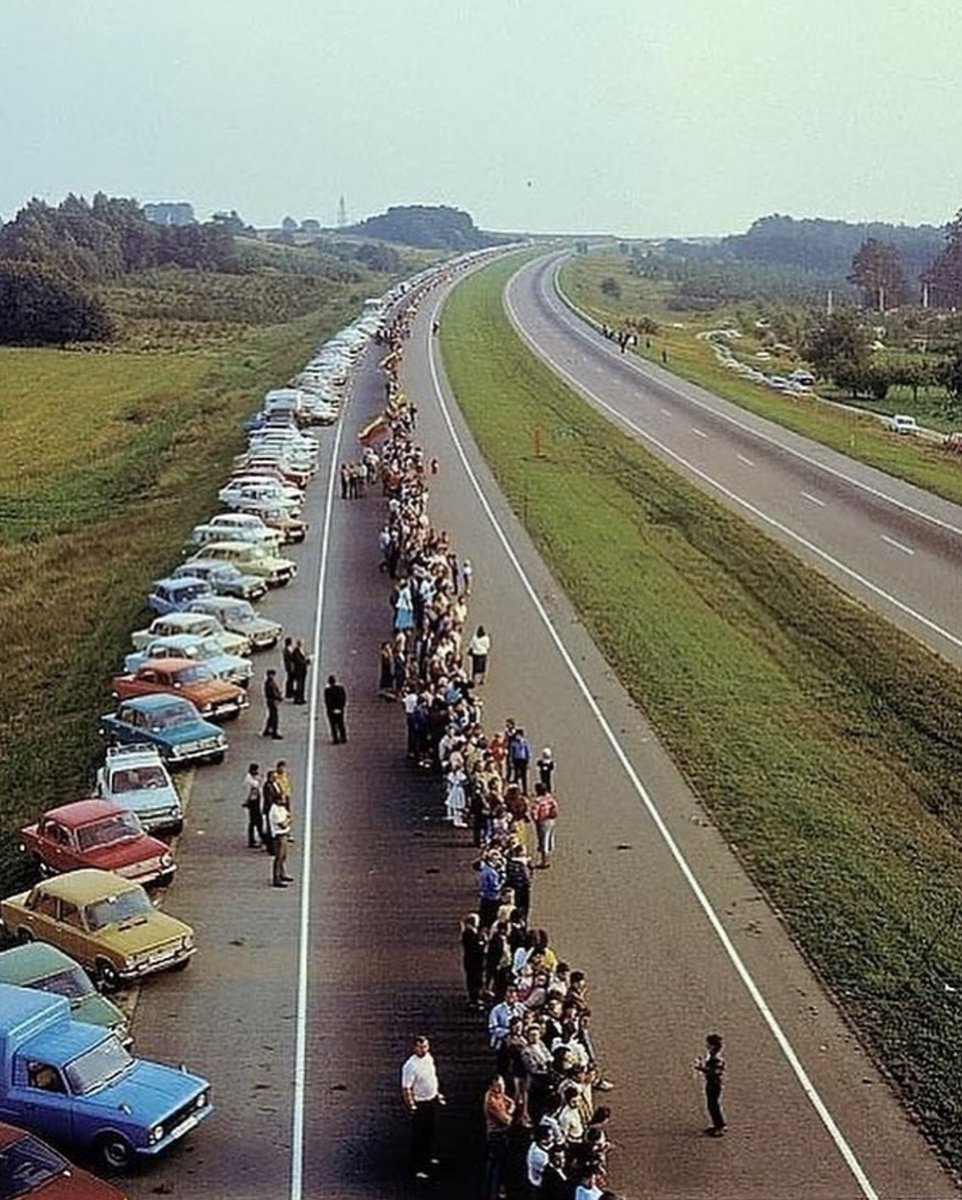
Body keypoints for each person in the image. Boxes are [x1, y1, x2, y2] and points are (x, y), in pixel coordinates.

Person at [401, 1035, 445, 1180]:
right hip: (420, 1103)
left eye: (425, 1046)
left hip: (431, 1100)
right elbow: (406, 1088)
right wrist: (412, 1106)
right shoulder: (410, 1065)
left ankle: (427, 1157)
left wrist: (437, 1094)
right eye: (420, 1047)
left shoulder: (429, 1058)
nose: (424, 1049)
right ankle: (416, 1167)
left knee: (429, 1132)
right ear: (415, 1048)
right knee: (418, 1136)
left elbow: (432, 1077)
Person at [482, 1075, 515, 1200]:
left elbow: (510, 1102)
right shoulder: (491, 1101)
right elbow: (506, 1120)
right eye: (498, 1086)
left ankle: (497, 1189)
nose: (502, 1089)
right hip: (496, 1136)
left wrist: (509, 1108)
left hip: (501, 1134)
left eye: (503, 1085)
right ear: (491, 1086)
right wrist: (510, 1111)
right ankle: (492, 1193)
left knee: (499, 1165)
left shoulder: (498, 1094)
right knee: (496, 1166)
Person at [695, 1033, 726, 1136]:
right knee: (712, 1105)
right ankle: (718, 1125)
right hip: (712, 1083)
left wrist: (701, 1068)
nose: (706, 1045)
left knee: (713, 1105)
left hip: (714, 1084)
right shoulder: (712, 1055)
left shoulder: (716, 1058)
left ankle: (719, 1127)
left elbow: (715, 1072)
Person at [530, 783, 559, 869]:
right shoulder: (549, 798)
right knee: (549, 837)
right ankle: (548, 857)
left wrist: (535, 820)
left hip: (542, 821)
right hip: (551, 819)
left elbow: (534, 812)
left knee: (543, 840)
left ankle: (544, 861)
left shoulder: (538, 800)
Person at [268, 789, 292, 888]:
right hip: (279, 835)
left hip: (284, 834)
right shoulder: (274, 811)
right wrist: (287, 821)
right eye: (282, 799)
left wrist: (287, 821)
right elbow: (282, 824)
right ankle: (276, 878)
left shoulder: (281, 808)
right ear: (277, 800)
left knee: (283, 856)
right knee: (279, 857)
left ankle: (282, 874)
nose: (284, 801)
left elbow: (289, 817)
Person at [461, 913, 486, 1008]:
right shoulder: (469, 933)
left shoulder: (471, 932)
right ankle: (474, 999)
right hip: (473, 961)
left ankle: (475, 998)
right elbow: (474, 947)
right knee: (474, 980)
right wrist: (482, 943)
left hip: (473, 960)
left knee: (475, 980)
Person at [242, 763, 263, 848]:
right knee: (255, 821)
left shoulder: (252, 778)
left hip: (255, 801)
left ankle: (258, 837)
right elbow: (256, 785)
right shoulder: (249, 779)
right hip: (252, 802)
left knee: (256, 821)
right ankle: (253, 840)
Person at [324, 674, 348, 743]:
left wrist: (330, 709)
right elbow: (344, 698)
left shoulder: (327, 691)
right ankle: (343, 737)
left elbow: (327, 701)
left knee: (333, 725)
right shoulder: (340, 689)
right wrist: (342, 706)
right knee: (341, 724)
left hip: (332, 710)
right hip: (340, 708)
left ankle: (335, 738)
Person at [263, 668, 283, 739]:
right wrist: (279, 697)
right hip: (272, 701)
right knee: (274, 717)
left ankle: (267, 730)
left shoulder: (268, 682)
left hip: (270, 701)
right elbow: (273, 693)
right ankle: (274, 733)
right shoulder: (270, 683)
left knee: (271, 716)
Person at [291, 639, 311, 705]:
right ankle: (298, 699)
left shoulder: (301, 650)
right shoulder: (296, 651)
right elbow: (298, 661)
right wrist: (306, 661)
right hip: (298, 670)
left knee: (302, 685)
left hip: (302, 670)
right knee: (299, 685)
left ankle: (301, 698)